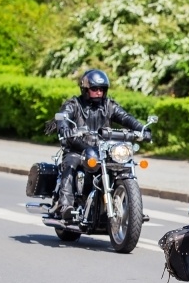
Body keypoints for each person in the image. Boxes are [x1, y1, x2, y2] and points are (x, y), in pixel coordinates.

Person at [54, 69, 150, 221]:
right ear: (85, 89)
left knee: (125, 165)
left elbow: (125, 117)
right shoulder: (74, 104)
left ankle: (133, 209)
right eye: (94, 89)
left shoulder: (109, 105)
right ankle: (65, 206)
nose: (99, 92)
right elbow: (64, 116)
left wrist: (142, 129)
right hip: (79, 149)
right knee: (70, 163)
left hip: (104, 151)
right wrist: (64, 127)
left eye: (102, 89)